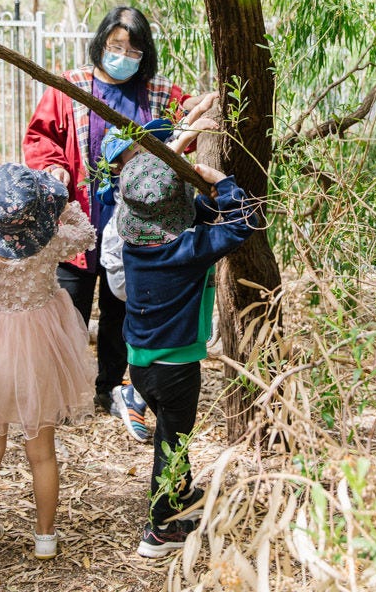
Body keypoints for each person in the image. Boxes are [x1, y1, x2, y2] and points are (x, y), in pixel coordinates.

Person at [22, 5, 197, 416]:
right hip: (78, 222)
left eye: (133, 51)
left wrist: (203, 109)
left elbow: (192, 119)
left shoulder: (159, 94)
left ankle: (112, 390)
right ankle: (61, 393)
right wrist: (53, 169)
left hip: (137, 225)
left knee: (122, 310)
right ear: (101, 43)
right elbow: (41, 137)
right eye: (116, 46)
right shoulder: (70, 87)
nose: (123, 57)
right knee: (69, 309)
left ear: (145, 54)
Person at [0, 164, 96, 561]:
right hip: (41, 342)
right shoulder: (53, 240)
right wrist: (58, 195)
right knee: (42, 449)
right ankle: (45, 537)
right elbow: (87, 233)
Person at [116, 153, 261, 557]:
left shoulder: (134, 246)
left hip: (140, 363)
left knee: (170, 435)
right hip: (176, 368)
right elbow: (243, 222)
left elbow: (189, 219)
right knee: (172, 443)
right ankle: (161, 529)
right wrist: (224, 183)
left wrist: (205, 201)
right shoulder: (187, 249)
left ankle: (178, 497)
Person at [97, 99, 220, 443]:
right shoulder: (137, 185)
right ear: (120, 167)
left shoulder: (142, 171)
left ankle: (135, 389)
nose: (147, 158)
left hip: (143, 265)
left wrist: (198, 113)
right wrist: (193, 129)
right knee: (160, 326)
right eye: (138, 153)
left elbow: (166, 150)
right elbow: (165, 159)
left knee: (155, 332)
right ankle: (134, 390)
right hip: (131, 270)